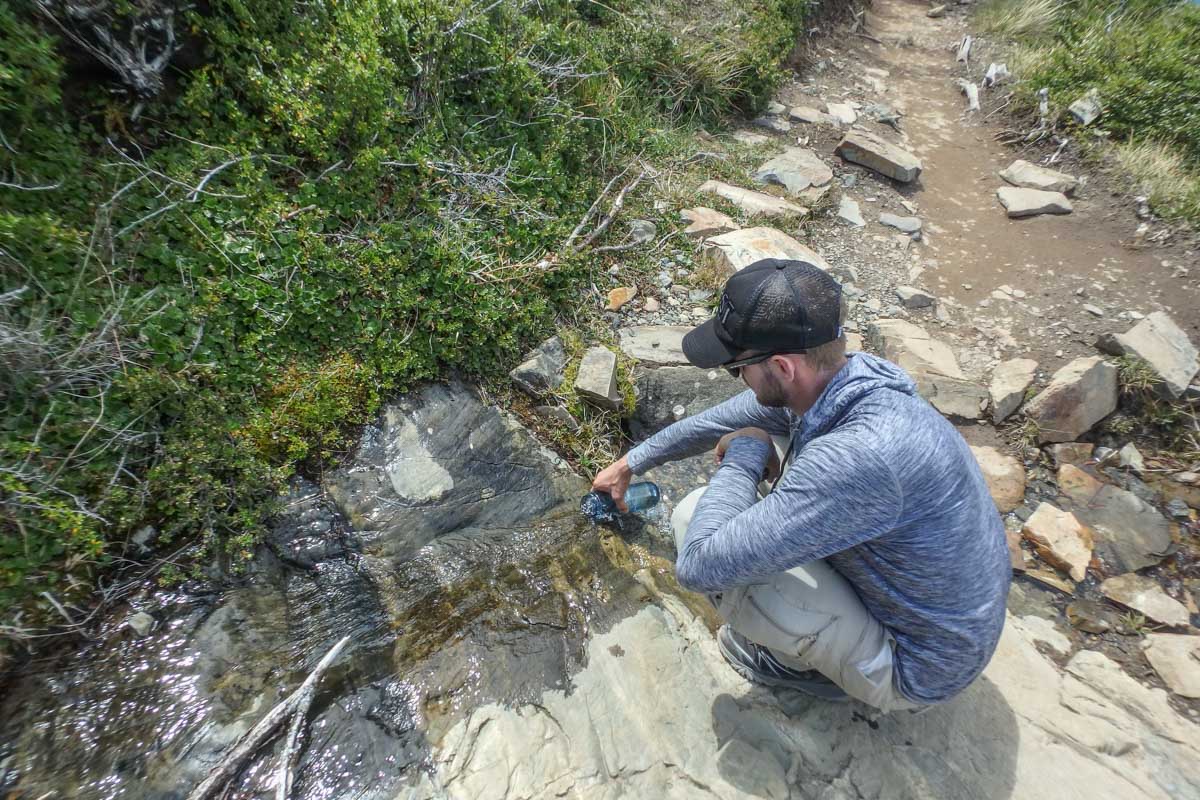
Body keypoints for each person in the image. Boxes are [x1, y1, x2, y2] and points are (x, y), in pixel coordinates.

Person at [592, 258, 1009, 712]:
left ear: (783, 368)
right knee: (768, 448)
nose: (738, 381)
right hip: (949, 624)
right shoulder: (847, 380)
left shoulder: (856, 455)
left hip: (916, 668)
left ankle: (802, 666)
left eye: (738, 369)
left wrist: (748, 451)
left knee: (694, 515)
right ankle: (834, 642)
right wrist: (633, 461)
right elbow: (723, 419)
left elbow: (699, 566)